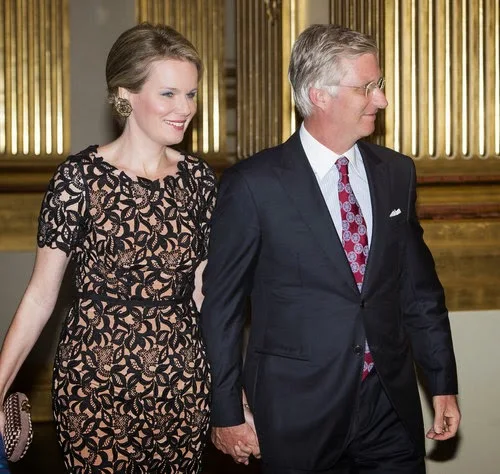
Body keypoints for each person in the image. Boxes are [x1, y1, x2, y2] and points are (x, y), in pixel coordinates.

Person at [200, 24, 460, 473]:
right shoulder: (253, 185)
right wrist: (225, 412)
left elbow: (418, 291)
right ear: (319, 95)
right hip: (297, 412)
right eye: (367, 87)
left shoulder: (396, 173)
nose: (381, 99)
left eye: (378, 85)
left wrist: (441, 382)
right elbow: (220, 309)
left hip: (389, 409)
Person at [0, 23, 217, 473]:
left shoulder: (199, 181)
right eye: (169, 94)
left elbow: (204, 294)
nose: (185, 109)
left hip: (181, 384)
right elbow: (42, 295)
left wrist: (231, 388)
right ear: (126, 94)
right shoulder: (79, 179)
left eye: (191, 95)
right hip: (94, 383)